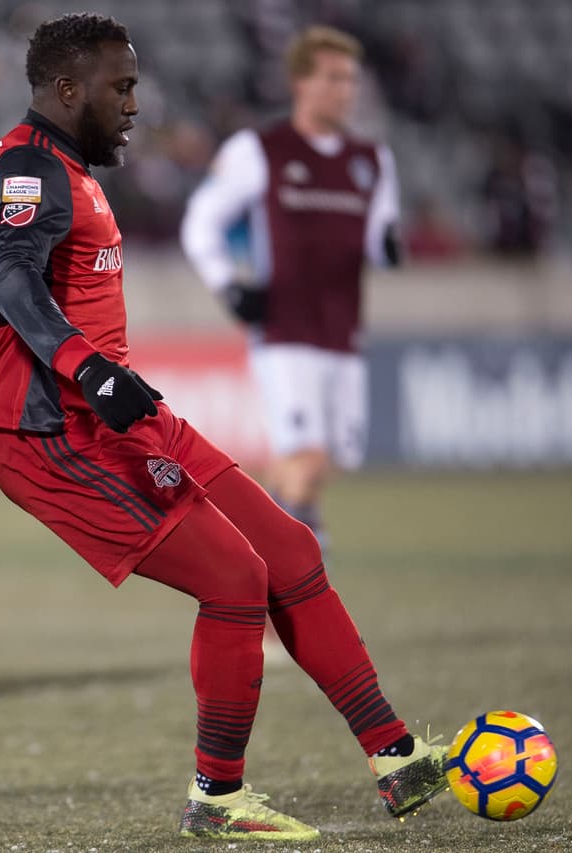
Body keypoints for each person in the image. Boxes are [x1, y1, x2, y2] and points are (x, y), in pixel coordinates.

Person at [0, 13, 445, 841]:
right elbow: (7, 277)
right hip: (53, 433)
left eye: (135, 87)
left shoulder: (68, 171)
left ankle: (395, 753)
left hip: (125, 413)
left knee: (290, 549)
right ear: (67, 89)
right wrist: (85, 366)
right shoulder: (27, 167)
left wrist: (106, 379)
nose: (133, 105)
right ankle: (218, 794)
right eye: (120, 87)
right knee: (234, 578)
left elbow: (1, 277)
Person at [181, 25, 402, 549]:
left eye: (350, 79)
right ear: (300, 82)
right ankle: (292, 586)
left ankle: (255, 540)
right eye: (332, 78)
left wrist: (388, 249)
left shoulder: (373, 162)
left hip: (343, 330)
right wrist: (230, 287)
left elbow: (378, 240)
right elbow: (200, 221)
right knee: (305, 459)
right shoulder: (261, 150)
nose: (344, 90)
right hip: (283, 329)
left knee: (333, 457)